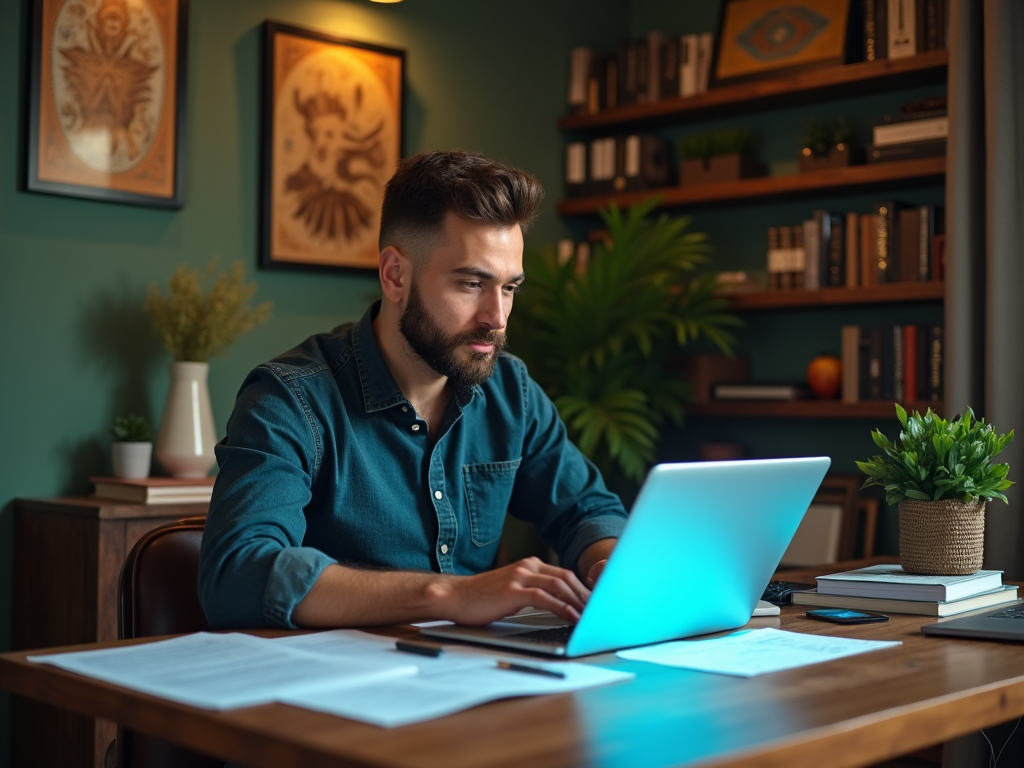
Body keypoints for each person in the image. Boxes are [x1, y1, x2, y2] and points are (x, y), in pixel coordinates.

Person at [198, 150, 627, 630]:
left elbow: (587, 510)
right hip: (339, 688)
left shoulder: (512, 391)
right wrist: (448, 595)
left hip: (479, 678)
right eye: (471, 284)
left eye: (510, 288)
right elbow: (236, 575)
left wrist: (609, 566)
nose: (498, 317)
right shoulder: (289, 400)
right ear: (395, 275)